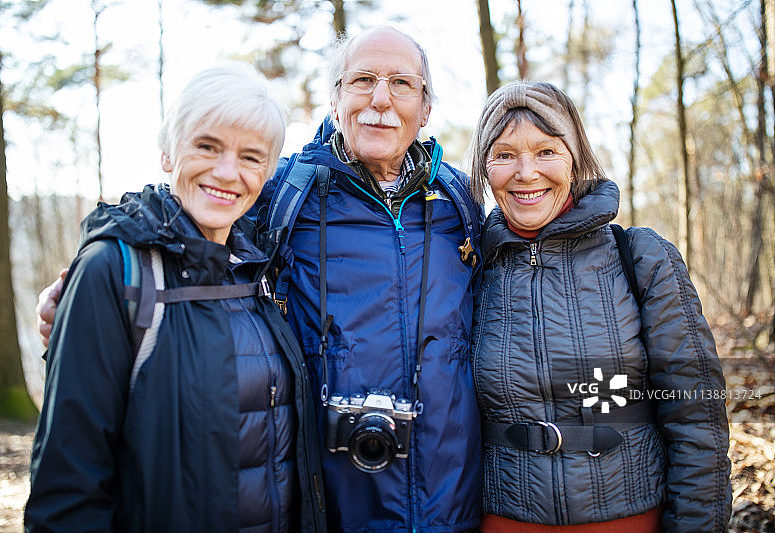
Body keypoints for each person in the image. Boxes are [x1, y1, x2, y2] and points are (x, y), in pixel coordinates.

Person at [37, 26, 484, 532]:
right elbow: (184, 214)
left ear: (426, 109)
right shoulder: (282, 197)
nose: (380, 98)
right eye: (362, 80)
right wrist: (93, 285)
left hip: (452, 507)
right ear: (335, 98)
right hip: (329, 510)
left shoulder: (461, 204)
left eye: (402, 83)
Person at [25, 63, 327, 532]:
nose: (227, 172)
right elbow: (68, 488)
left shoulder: (263, 269)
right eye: (207, 146)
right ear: (168, 153)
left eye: (251, 157)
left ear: (267, 172)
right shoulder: (115, 270)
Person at [468, 80, 732, 532]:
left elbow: (697, 420)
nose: (526, 172)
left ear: (576, 159)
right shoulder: (468, 269)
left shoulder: (641, 257)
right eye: (505, 154)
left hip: (630, 518)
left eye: (547, 151)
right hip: (504, 519)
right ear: (484, 169)